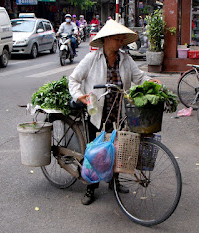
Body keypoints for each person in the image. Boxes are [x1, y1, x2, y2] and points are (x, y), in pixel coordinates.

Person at [68, 19, 160, 205]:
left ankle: (114, 182)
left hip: (119, 113)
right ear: (107, 40)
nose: (120, 43)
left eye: (121, 40)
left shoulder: (126, 59)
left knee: (117, 150)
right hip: (97, 113)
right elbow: (74, 79)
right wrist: (79, 96)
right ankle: (90, 188)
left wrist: (152, 82)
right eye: (117, 39)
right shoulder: (92, 59)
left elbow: (139, 77)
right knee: (95, 153)